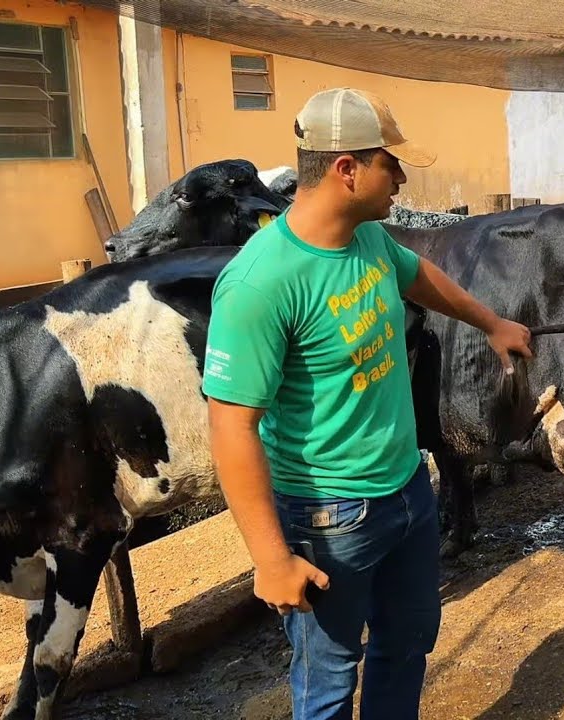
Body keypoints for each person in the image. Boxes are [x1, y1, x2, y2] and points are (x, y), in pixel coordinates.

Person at [203, 87, 533, 720]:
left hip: (407, 492)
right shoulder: (260, 283)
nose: (401, 178)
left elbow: (416, 275)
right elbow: (232, 427)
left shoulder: (368, 241)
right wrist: (271, 560)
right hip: (328, 517)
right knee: (327, 684)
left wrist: (492, 322)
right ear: (346, 169)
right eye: (391, 163)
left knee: (406, 648)